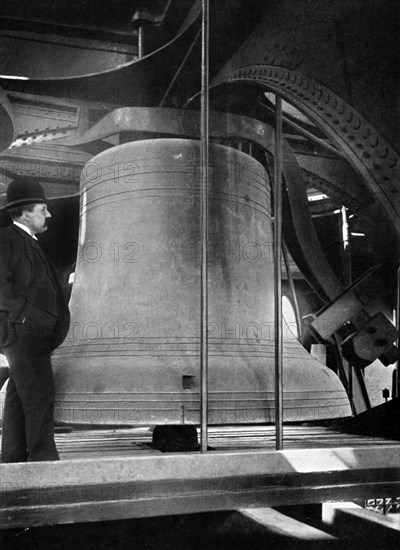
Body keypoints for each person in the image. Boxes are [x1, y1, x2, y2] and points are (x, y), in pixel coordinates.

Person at [0, 180, 70, 462]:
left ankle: (12, 460)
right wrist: (24, 317)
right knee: (40, 398)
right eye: (43, 209)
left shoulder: (30, 242)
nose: (49, 215)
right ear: (26, 213)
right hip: (24, 334)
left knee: (19, 401)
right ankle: (44, 463)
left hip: (32, 335)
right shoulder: (6, 239)